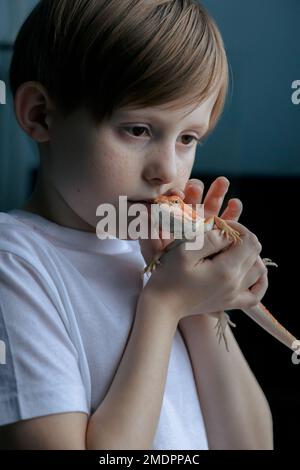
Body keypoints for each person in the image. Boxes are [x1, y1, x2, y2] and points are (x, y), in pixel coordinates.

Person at [0, 0, 273, 450]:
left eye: (188, 138)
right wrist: (163, 305)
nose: (167, 170)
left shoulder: (148, 252)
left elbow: (250, 443)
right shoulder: (16, 262)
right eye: (139, 130)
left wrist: (203, 304)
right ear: (40, 115)